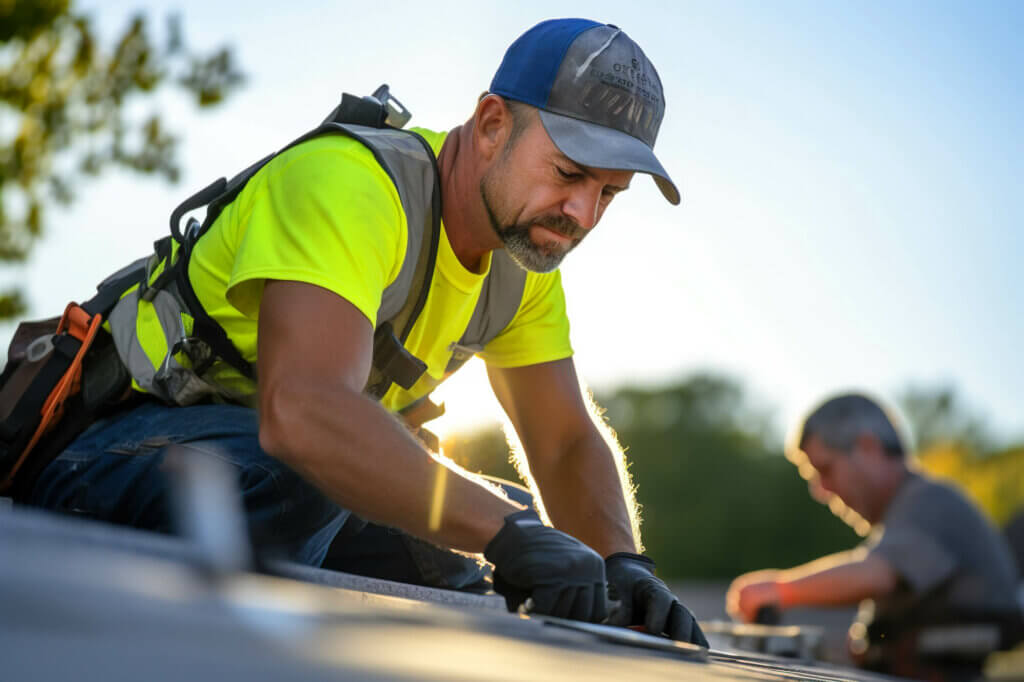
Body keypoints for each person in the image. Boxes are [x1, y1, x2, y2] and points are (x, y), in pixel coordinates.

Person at [20, 19, 708, 645]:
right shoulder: (353, 186)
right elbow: (305, 414)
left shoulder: (525, 260)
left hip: (274, 476)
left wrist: (623, 566)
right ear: (492, 123)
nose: (583, 214)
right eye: (569, 173)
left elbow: (562, 441)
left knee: (548, 552)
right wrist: (507, 531)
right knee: (349, 487)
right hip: (115, 450)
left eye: (609, 193)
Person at [727, 393, 1021, 675]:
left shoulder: (931, 501)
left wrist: (779, 589)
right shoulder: (905, 516)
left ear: (868, 447)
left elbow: (876, 573)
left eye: (825, 469)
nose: (821, 491)